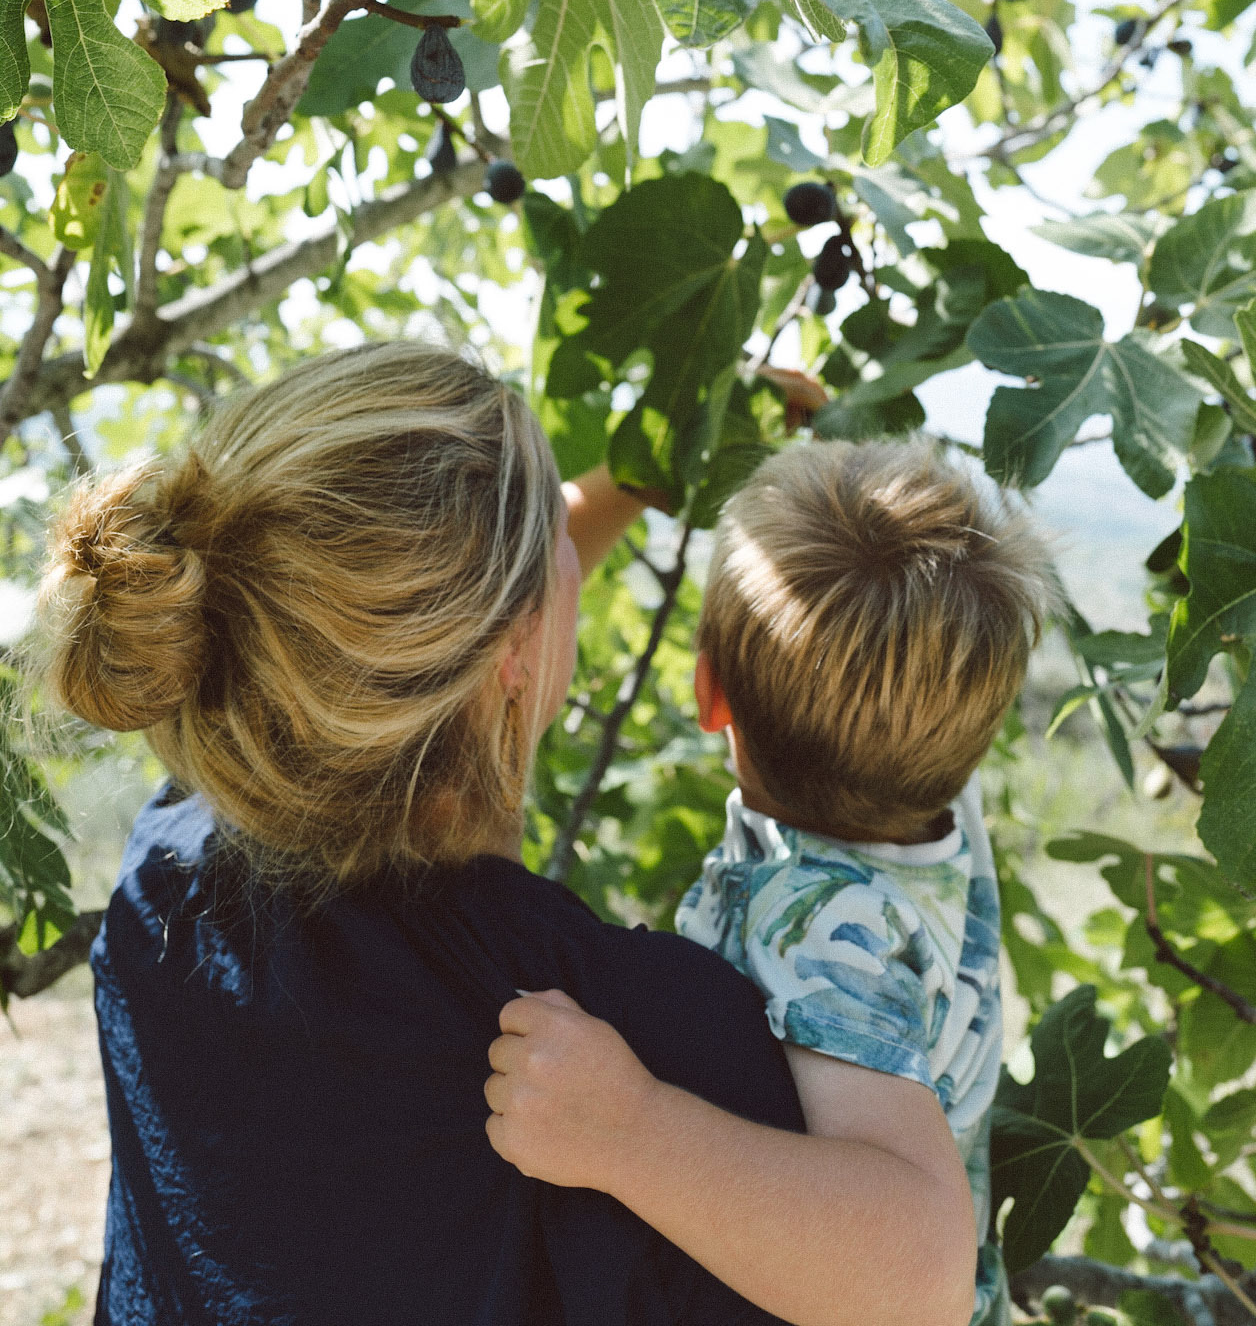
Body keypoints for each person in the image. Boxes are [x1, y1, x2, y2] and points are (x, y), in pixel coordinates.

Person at [38, 344, 977, 1326]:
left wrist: (625, 478)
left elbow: (399, 617)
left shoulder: (166, 877)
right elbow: (916, 1288)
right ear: (516, 651)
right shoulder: (632, 1043)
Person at [482, 438, 1055, 1326]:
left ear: (708, 692)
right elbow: (903, 613)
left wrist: (629, 1130)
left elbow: (918, 1275)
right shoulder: (935, 791)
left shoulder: (824, 928)